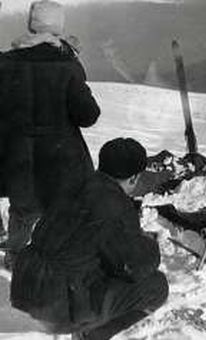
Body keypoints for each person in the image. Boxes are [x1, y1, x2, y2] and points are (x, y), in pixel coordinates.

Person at [10, 138, 169, 340]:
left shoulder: (72, 184)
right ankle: (92, 335)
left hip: (24, 284)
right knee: (156, 286)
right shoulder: (116, 205)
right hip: (56, 305)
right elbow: (134, 266)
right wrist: (149, 244)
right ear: (133, 179)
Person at [0, 0, 100, 264]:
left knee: (21, 209)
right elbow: (88, 116)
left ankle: (15, 257)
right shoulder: (68, 65)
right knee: (61, 209)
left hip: (17, 156)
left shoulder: (4, 63)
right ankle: (57, 259)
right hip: (60, 159)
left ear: (30, 25)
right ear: (59, 27)